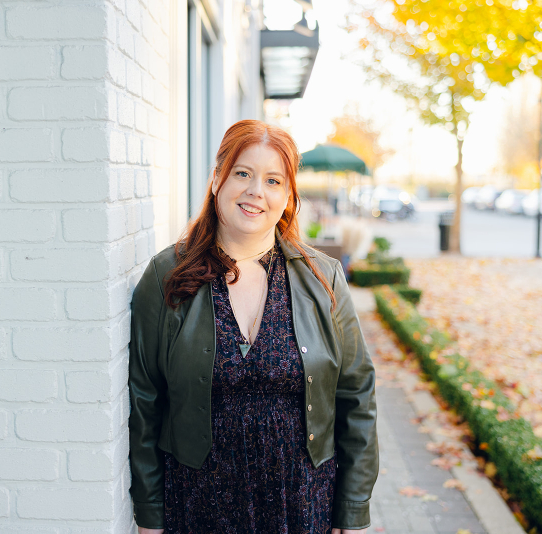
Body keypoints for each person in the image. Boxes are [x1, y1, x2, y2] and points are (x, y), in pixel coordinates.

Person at [128, 120, 378, 534]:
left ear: (288, 197)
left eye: (273, 180)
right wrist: (150, 514)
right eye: (242, 173)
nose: (255, 191)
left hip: (301, 502)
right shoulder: (167, 275)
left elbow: (356, 395)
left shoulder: (324, 279)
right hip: (197, 503)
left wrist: (353, 510)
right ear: (216, 180)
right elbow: (145, 399)